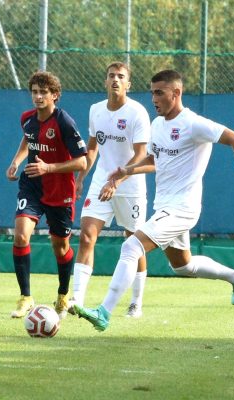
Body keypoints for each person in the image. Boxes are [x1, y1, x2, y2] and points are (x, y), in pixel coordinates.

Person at [74, 69, 234, 331]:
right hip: (164, 207)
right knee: (183, 266)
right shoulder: (157, 124)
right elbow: (153, 159)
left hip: (182, 208)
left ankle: (104, 311)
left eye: (160, 93)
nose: (154, 98)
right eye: (152, 92)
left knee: (130, 247)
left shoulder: (194, 124)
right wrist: (126, 171)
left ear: (177, 93)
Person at [70, 62, 151, 318]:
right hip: (100, 182)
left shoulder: (137, 112)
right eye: (111, 76)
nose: (115, 80)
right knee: (86, 236)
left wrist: (116, 181)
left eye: (121, 76)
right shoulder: (95, 110)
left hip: (130, 186)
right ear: (105, 82)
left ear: (128, 84)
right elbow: (92, 148)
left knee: (133, 243)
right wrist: (82, 177)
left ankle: (136, 301)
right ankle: (76, 300)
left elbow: (140, 155)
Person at [6, 71, 87, 319]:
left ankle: (63, 294)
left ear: (55, 95)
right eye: (35, 92)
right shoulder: (27, 119)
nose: (38, 97)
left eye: (44, 92)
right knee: (21, 236)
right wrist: (16, 161)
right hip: (32, 185)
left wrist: (49, 167)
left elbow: (82, 162)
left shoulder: (64, 122)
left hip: (60, 190)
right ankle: (26, 297)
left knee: (60, 248)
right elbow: (29, 139)